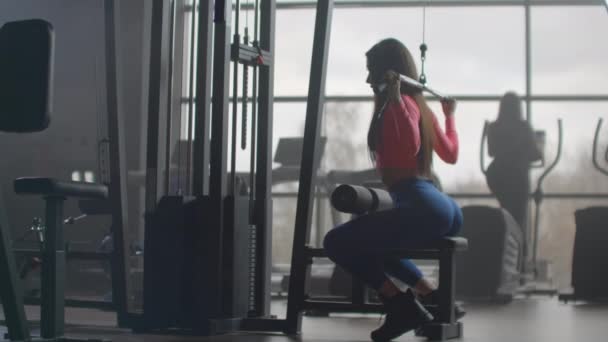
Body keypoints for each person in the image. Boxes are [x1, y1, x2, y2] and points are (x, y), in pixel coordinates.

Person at [323, 38, 463, 342]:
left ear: (388, 72)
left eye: (371, 70)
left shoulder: (400, 106)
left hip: (420, 202)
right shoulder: (424, 109)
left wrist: (397, 99)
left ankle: (400, 305)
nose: (368, 78)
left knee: (335, 242)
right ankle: (430, 295)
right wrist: (449, 115)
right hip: (444, 208)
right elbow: (451, 153)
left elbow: (409, 143)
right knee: (374, 241)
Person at [485, 91, 542, 243]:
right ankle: (518, 257)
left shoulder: (493, 127)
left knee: (506, 213)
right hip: (518, 176)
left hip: (496, 175)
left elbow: (491, 152)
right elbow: (535, 155)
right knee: (518, 219)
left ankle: (503, 251)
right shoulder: (523, 127)